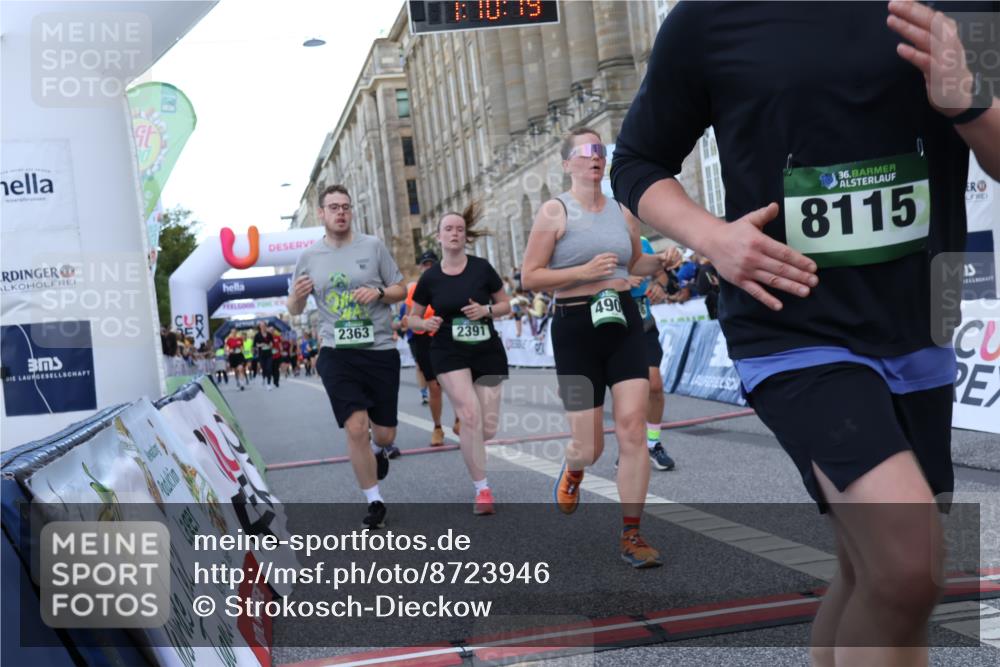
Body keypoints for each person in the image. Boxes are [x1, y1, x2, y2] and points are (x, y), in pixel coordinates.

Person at [611, 0, 999, 662]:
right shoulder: (709, 20)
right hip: (791, 325)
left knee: (872, 571)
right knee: (911, 567)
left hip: (920, 324)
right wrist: (713, 238)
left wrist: (968, 104)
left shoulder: (954, 8)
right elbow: (638, 162)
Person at [521, 127, 676, 568]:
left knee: (632, 428)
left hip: (622, 319)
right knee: (589, 446)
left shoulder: (623, 212)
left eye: (600, 151)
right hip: (574, 330)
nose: (595, 157)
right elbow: (530, 277)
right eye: (586, 152)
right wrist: (582, 271)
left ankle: (632, 534)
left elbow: (635, 263)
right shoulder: (555, 211)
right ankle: (574, 469)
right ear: (567, 162)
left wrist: (661, 261)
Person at [288, 184, 407, 529]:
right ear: (321, 214)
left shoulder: (372, 246)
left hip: (379, 350)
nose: (341, 212)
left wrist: (380, 292)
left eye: (346, 206)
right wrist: (296, 297)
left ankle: (381, 450)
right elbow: (294, 308)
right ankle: (374, 501)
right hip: (336, 353)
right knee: (356, 427)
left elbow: (400, 288)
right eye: (333, 207)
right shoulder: (309, 257)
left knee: (384, 434)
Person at [409, 202, 512, 515]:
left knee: (488, 427)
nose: (454, 233)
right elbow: (412, 319)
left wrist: (487, 311)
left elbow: (506, 304)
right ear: (438, 237)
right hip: (448, 349)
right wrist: (425, 324)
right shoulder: (430, 279)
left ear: (465, 237)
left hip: (486, 349)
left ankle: (469, 432)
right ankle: (482, 490)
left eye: (459, 229)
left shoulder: (482, 268)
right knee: (469, 415)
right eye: (448, 229)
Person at [620, 236, 682, 472]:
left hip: (643, 322)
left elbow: (662, 276)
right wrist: (620, 280)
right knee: (626, 391)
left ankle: (653, 443)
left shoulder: (641, 241)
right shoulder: (597, 238)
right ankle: (629, 447)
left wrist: (660, 286)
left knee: (654, 385)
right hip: (614, 324)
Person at [403, 250, 451, 447]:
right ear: (421, 267)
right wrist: (423, 323)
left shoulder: (447, 284)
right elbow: (408, 319)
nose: (428, 268)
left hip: (445, 336)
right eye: (425, 265)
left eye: (432, 264)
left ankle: (459, 421)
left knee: (456, 383)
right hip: (424, 340)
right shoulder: (415, 289)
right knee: (434, 386)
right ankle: (438, 427)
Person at [253, 322, 276, 391]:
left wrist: (271, 345)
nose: (263, 327)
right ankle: (264, 377)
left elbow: (272, 343)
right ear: (260, 327)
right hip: (261, 354)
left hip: (269, 354)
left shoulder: (269, 335)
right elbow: (255, 345)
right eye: (261, 326)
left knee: (269, 368)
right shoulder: (257, 335)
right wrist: (260, 345)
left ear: (266, 326)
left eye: (264, 326)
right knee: (264, 368)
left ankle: (268, 384)